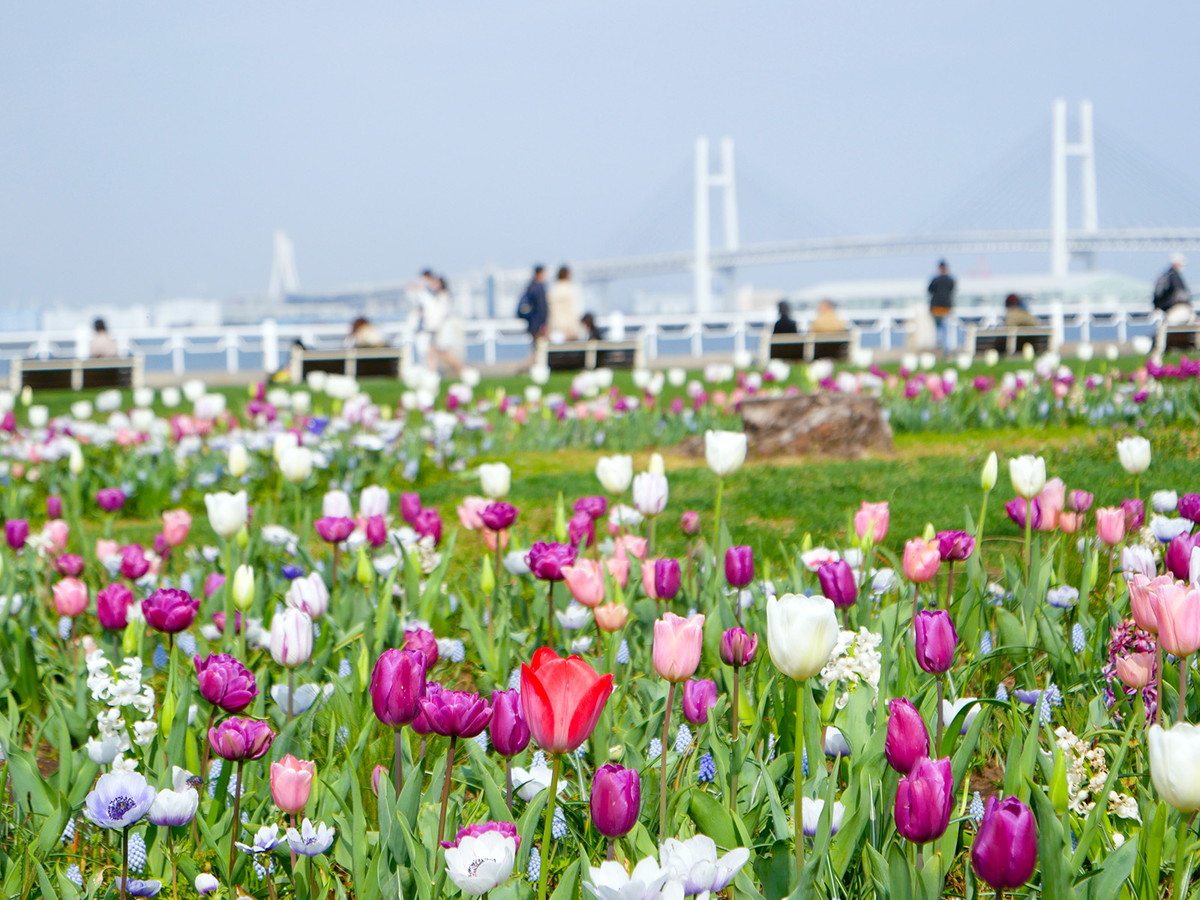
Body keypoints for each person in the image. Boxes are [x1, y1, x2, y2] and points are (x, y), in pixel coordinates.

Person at [516, 265, 548, 367]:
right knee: (540, 348)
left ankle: (532, 366)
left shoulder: (530, 287)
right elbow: (542, 309)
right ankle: (537, 367)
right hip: (538, 324)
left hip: (532, 323)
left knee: (536, 347)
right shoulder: (539, 288)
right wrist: (543, 323)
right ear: (540, 273)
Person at [1153, 254, 1192, 325]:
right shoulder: (1173, 277)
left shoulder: (1166, 276)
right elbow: (1180, 295)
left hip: (1168, 309)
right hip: (1175, 309)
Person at [546, 266, 581, 342]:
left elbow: (550, 311)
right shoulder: (571, 290)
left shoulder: (553, 290)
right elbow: (573, 311)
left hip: (555, 328)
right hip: (569, 328)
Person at [928, 260, 956, 353]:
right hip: (946, 307)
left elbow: (930, 290)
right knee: (945, 327)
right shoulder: (950, 280)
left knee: (939, 327)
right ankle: (946, 349)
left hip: (936, 307)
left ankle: (939, 344)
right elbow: (952, 290)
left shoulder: (935, 280)